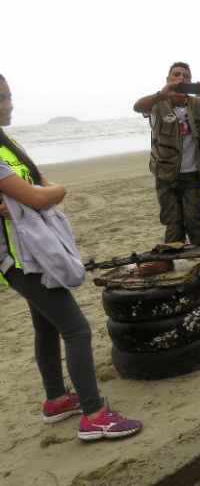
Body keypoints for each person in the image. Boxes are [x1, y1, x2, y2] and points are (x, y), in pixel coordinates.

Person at [0, 74, 142, 441]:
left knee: (46, 326)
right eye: (2, 99)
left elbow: (37, 183)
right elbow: (40, 196)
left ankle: (57, 400)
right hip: (19, 260)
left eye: (10, 97)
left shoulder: (6, 143)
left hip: (32, 252)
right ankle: (94, 415)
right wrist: (55, 191)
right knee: (77, 329)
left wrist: (41, 192)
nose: (10, 105)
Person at [133, 61, 200, 245]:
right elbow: (138, 107)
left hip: (193, 175)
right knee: (173, 224)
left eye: (185, 76)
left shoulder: (198, 102)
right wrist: (162, 94)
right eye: (176, 75)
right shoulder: (156, 104)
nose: (181, 78)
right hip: (166, 175)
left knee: (194, 221)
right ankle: (172, 265)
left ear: (190, 82)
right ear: (168, 80)